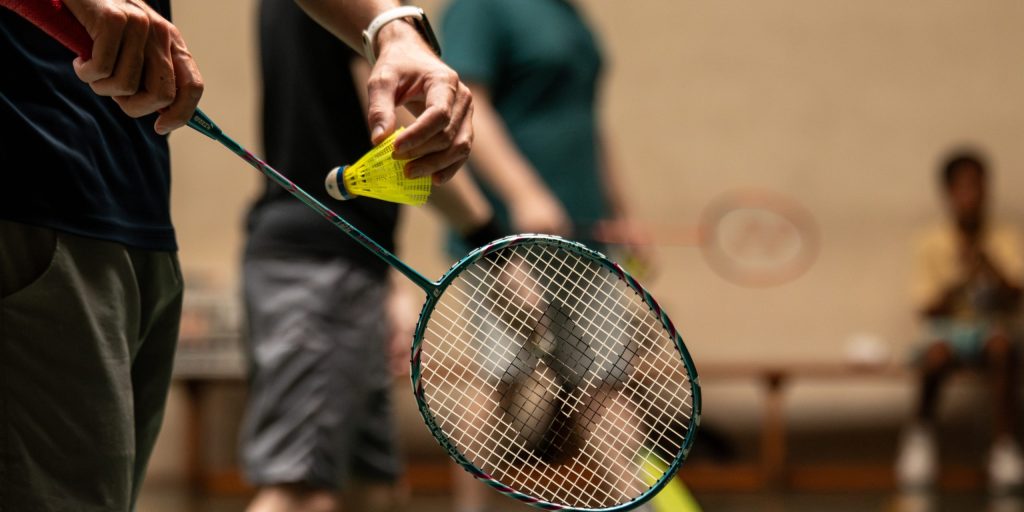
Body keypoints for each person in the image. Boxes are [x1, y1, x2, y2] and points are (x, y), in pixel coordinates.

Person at [0, 0, 472, 509]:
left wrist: (391, 28)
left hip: (139, 218)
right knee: (300, 490)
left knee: (371, 490)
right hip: (39, 205)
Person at [241, 2, 495, 511]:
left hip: (344, 261)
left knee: (372, 485)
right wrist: (486, 232)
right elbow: (398, 136)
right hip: (320, 264)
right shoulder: (362, 11)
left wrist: (383, 280)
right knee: (301, 489)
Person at [438, 1, 655, 510]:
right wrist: (524, 193)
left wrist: (621, 210)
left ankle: (634, 504)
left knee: (605, 381)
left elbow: (585, 120)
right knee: (502, 381)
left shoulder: (568, 12)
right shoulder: (480, 8)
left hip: (584, 237)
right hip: (505, 240)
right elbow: (470, 108)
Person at [897, 150, 1024, 491]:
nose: (973, 196)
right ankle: (920, 437)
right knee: (935, 354)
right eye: (964, 188)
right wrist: (960, 279)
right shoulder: (932, 241)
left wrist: (989, 265)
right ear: (948, 194)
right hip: (948, 330)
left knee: (1002, 347)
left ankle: (1004, 447)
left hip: (993, 327)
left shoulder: (1004, 237)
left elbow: (1017, 294)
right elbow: (926, 308)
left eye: (979, 187)